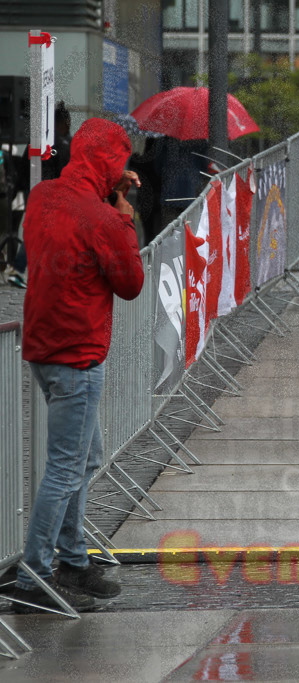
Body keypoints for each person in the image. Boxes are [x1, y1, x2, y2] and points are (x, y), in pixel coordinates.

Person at [9, 118, 144, 614]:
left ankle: (70, 557)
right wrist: (124, 216)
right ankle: (35, 577)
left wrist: (108, 190)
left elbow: (69, 226)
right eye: (120, 162)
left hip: (43, 347)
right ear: (110, 162)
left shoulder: (44, 196)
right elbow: (130, 283)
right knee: (66, 468)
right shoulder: (105, 220)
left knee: (85, 457)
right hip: (78, 353)